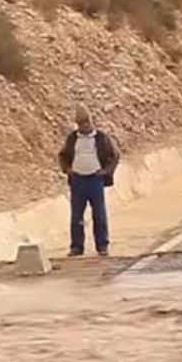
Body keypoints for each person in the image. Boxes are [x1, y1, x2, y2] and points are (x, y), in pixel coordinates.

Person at [57, 106, 119, 258]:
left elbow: (115, 155)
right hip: (78, 180)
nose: (85, 125)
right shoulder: (73, 139)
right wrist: (67, 169)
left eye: (87, 122)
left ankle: (102, 245)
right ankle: (77, 247)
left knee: (99, 214)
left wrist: (105, 171)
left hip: (95, 180)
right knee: (77, 215)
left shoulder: (101, 137)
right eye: (81, 123)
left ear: (91, 122)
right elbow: (63, 155)